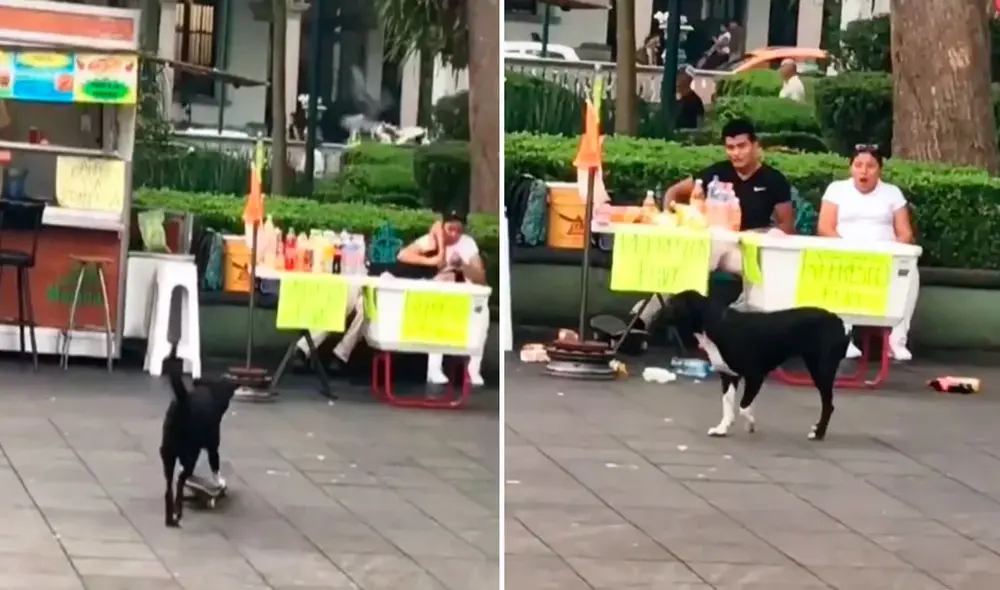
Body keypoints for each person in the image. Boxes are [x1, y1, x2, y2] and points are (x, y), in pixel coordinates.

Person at [630, 119, 795, 330]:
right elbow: (674, 191)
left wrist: (765, 235)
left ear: (755, 146)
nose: (736, 153)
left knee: (758, 272)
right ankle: (641, 318)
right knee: (702, 251)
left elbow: (787, 226)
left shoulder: (774, 180)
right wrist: (670, 216)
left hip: (749, 250)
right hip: (715, 244)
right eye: (730, 147)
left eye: (742, 146)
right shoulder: (717, 173)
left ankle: (732, 324)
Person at [817, 144, 917, 361]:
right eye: (858, 165)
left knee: (911, 273)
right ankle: (843, 338)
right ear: (850, 168)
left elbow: (905, 233)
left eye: (870, 166)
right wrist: (847, 248)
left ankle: (896, 340)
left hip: (884, 258)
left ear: (879, 170)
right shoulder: (837, 189)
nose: (864, 171)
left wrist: (891, 250)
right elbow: (825, 227)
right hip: (846, 254)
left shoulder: (892, 193)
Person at [395, 211, 489, 384]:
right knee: (438, 312)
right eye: (450, 229)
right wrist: (433, 258)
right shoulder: (431, 240)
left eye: (458, 231)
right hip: (438, 292)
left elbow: (481, 277)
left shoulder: (468, 244)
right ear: (442, 227)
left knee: (482, 315)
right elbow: (403, 255)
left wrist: (463, 265)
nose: (454, 235)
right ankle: (434, 369)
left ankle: (473, 369)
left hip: (464, 292)